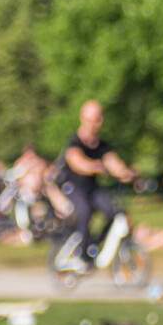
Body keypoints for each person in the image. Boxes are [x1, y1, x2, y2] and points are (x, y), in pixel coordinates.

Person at [58, 100, 135, 267]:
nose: (96, 123)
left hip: (92, 189)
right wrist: (96, 166)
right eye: (92, 119)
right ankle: (82, 254)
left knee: (115, 211)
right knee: (84, 211)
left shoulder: (101, 145)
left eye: (98, 119)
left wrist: (126, 173)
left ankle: (95, 244)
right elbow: (77, 162)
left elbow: (113, 162)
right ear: (83, 119)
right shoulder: (75, 142)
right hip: (73, 188)